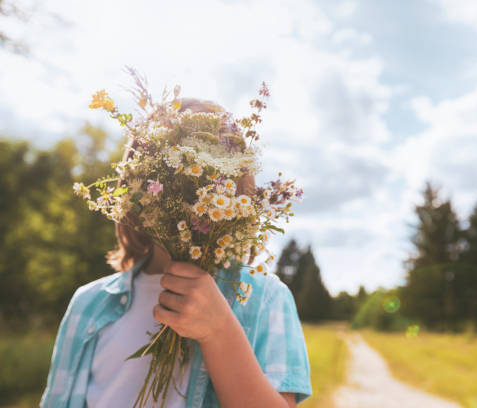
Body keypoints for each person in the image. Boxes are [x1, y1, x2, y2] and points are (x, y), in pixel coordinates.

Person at [40, 99, 312, 407]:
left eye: (208, 177)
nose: (190, 191)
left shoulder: (264, 298)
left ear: (236, 191)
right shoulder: (88, 305)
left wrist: (219, 330)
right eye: (167, 172)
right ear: (133, 187)